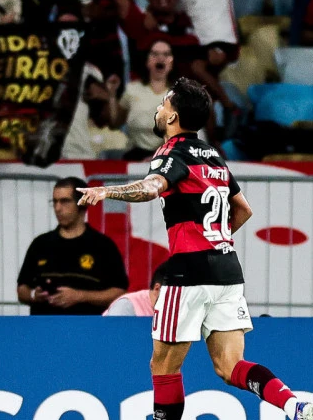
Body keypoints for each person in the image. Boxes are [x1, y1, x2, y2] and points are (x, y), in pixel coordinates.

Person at [77, 78, 313, 420]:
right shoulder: (214, 157)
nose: (158, 110)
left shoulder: (171, 152)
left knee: (163, 365)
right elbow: (244, 209)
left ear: (173, 117)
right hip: (227, 269)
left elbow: (150, 188)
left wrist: (107, 192)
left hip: (188, 272)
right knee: (230, 366)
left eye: (163, 105)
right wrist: (215, 238)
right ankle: (295, 405)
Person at [16, 177, 129, 315]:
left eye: (64, 201)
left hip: (87, 328)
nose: (57, 208)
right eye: (55, 201)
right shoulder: (40, 244)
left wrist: (80, 296)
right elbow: (22, 289)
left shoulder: (103, 246)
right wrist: (34, 295)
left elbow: (119, 292)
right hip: (43, 328)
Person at [108, 40, 176, 160]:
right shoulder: (132, 89)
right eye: (155, 54)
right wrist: (112, 95)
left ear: (172, 62)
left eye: (166, 54)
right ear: (147, 61)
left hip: (168, 157)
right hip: (134, 155)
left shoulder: (180, 94)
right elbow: (115, 123)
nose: (161, 58)